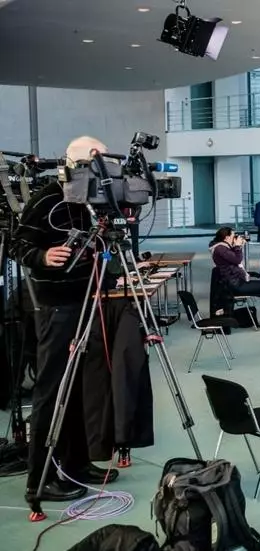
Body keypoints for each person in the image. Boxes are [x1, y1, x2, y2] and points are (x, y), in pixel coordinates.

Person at [11, 136, 120, 504]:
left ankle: (76, 462)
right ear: (76, 163)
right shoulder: (47, 197)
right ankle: (39, 480)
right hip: (55, 305)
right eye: (97, 161)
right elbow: (18, 244)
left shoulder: (93, 200)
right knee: (52, 391)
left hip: (85, 297)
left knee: (77, 388)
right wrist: (44, 255)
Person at [209, 227, 260, 328]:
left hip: (235, 282)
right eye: (233, 236)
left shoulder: (222, 247)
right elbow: (237, 259)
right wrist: (237, 246)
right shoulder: (220, 249)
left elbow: (233, 259)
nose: (235, 238)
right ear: (226, 237)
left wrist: (237, 246)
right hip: (235, 286)